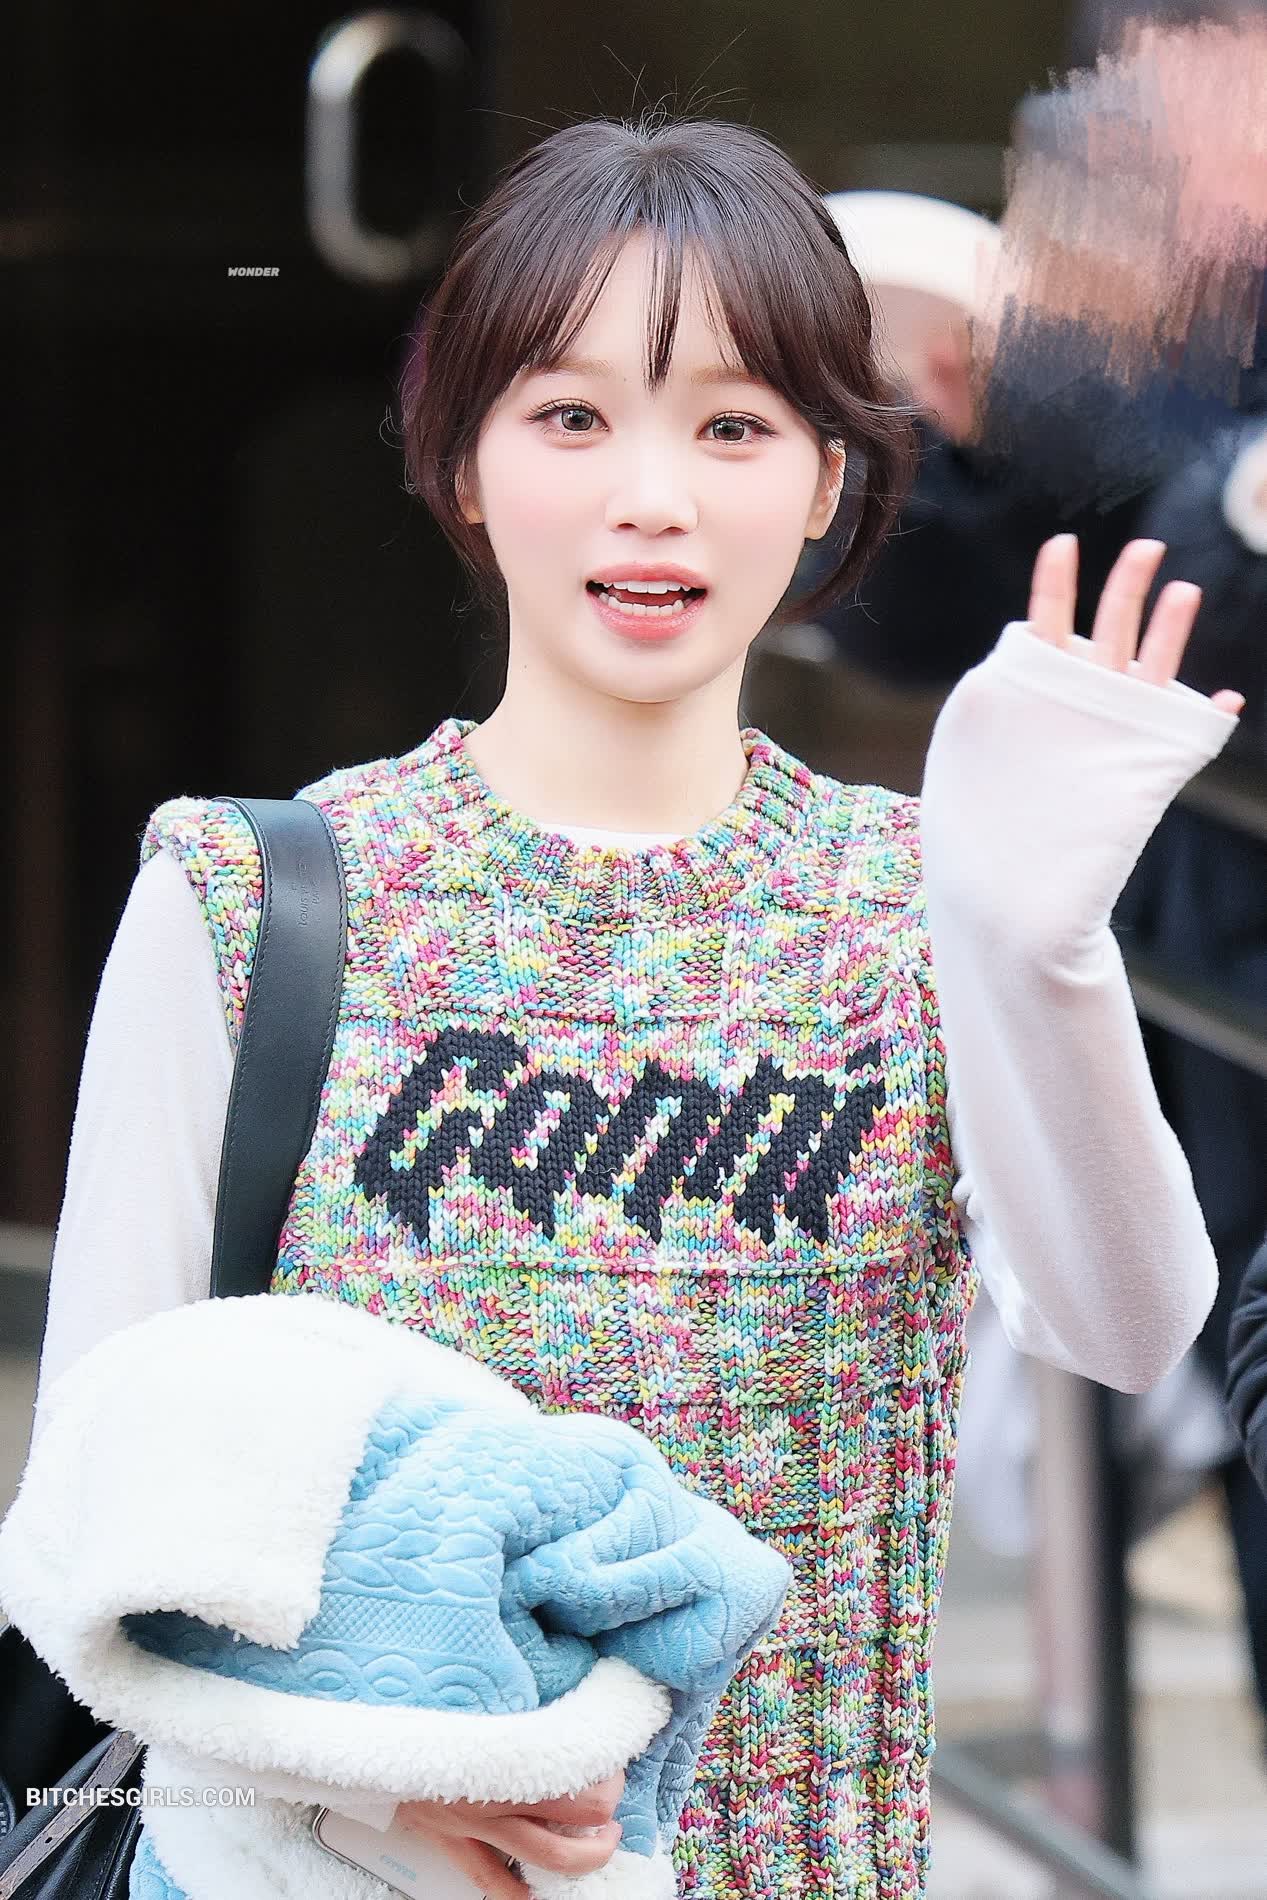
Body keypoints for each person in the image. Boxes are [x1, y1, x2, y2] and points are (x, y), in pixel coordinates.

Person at [9, 113, 1246, 1899]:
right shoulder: (249, 897)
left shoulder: (922, 903)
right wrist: (395, 1795)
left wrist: (1037, 942)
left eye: (733, 426)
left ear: (827, 480)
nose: (651, 495)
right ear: (465, 463)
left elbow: (1129, 1331)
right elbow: (95, 1503)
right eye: (571, 416)